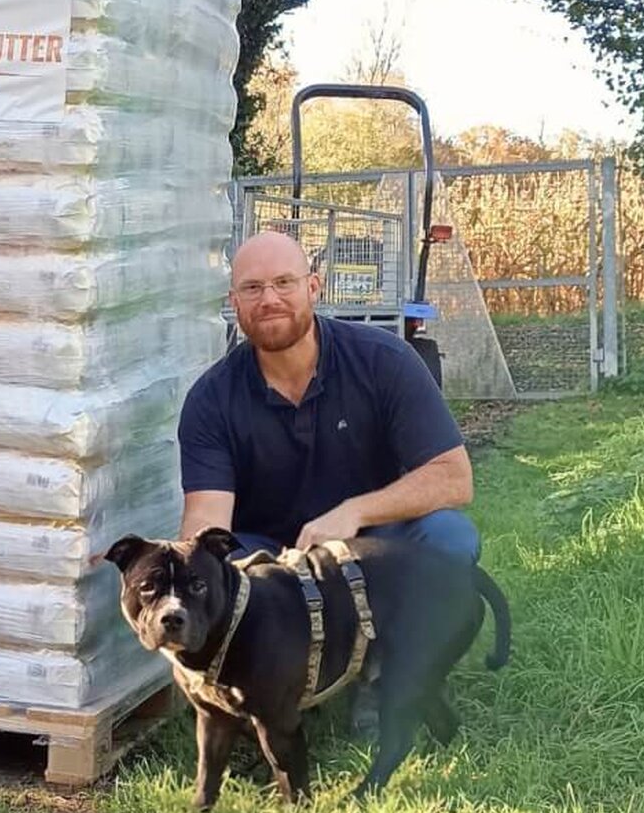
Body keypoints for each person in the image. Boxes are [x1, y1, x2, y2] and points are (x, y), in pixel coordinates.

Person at [177, 231, 479, 732]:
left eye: (283, 282)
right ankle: (256, 686)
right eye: (251, 288)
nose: (269, 298)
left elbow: (453, 479)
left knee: (449, 537)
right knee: (212, 567)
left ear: (314, 287)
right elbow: (206, 525)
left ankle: (389, 673)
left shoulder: (384, 362)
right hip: (268, 555)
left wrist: (354, 513)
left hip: (369, 543)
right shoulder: (211, 400)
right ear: (234, 303)